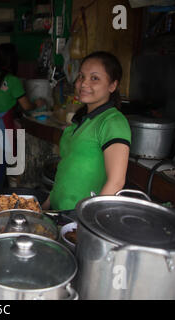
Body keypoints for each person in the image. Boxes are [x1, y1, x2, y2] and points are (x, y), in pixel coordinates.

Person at [42, 51, 131, 211]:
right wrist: (48, 203)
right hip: (60, 211)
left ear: (113, 85)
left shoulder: (113, 122)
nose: (83, 83)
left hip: (81, 219)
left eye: (94, 78)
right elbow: (66, 168)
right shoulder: (80, 121)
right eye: (81, 76)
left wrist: (88, 220)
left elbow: (116, 181)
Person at [0, 43, 45, 192]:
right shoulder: (12, 80)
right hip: (4, 128)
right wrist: (37, 104)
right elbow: (27, 106)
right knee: (1, 167)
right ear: (13, 60)